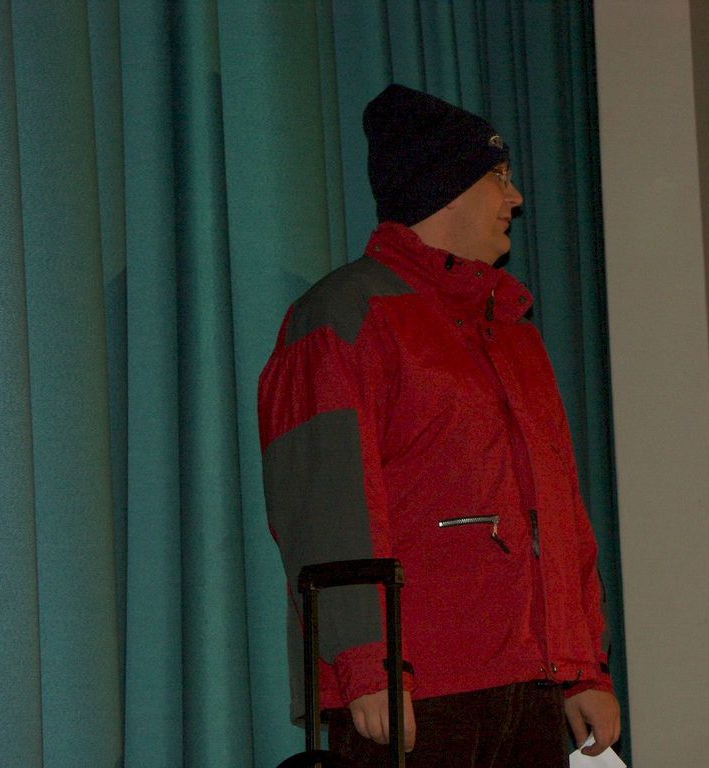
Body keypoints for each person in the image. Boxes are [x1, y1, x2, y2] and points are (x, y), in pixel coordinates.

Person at [258, 83, 620, 767]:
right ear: (445, 189)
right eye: (498, 177)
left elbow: (560, 511)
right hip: (414, 694)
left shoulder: (514, 332)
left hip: (532, 687)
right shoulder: (344, 315)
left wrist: (583, 670)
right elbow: (323, 507)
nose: (516, 197)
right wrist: (368, 664)